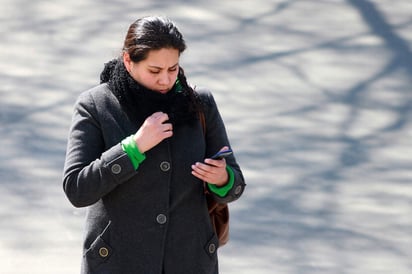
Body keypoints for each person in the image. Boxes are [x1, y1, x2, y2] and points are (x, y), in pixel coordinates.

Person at [62, 16, 246, 274]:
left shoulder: (199, 103)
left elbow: (235, 183)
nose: (166, 80)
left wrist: (222, 178)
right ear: (128, 61)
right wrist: (133, 148)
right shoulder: (96, 105)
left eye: (173, 69)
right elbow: (77, 188)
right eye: (155, 71)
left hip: (189, 260)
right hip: (118, 262)